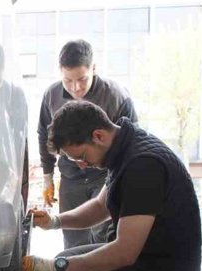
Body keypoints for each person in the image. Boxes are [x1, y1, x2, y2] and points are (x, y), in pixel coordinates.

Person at [22, 101, 202, 271]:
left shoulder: (143, 164)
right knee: (63, 264)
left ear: (99, 135)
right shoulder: (125, 149)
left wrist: (54, 267)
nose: (82, 165)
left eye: (82, 157)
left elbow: (123, 253)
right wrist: (54, 221)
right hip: (148, 259)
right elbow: (99, 207)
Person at [37, 39, 137, 249]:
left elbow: (131, 141)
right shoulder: (51, 96)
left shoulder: (116, 96)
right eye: (68, 80)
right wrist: (48, 176)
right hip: (71, 177)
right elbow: (44, 135)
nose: (76, 87)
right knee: (72, 238)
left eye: (82, 79)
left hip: (105, 174)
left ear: (94, 68)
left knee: (103, 233)